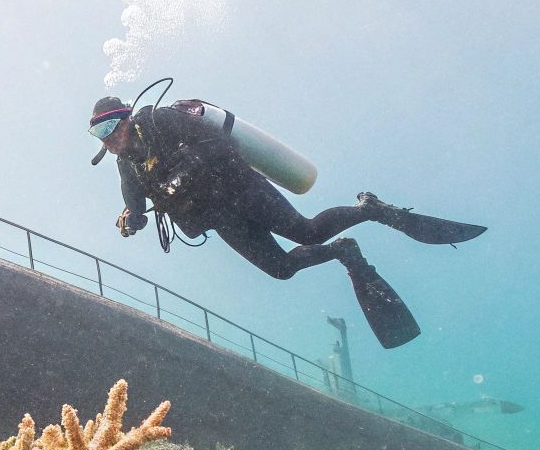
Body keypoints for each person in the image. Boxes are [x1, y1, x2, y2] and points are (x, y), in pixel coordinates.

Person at [87, 94, 486, 348]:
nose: (106, 140)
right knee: (280, 270)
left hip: (242, 189)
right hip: (222, 219)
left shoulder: (160, 121)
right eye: (97, 135)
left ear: (124, 118)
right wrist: (129, 222)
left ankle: (373, 209)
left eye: (107, 128)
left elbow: (219, 144)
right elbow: (136, 209)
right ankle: (342, 251)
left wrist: (188, 169)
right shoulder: (129, 167)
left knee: (306, 230)